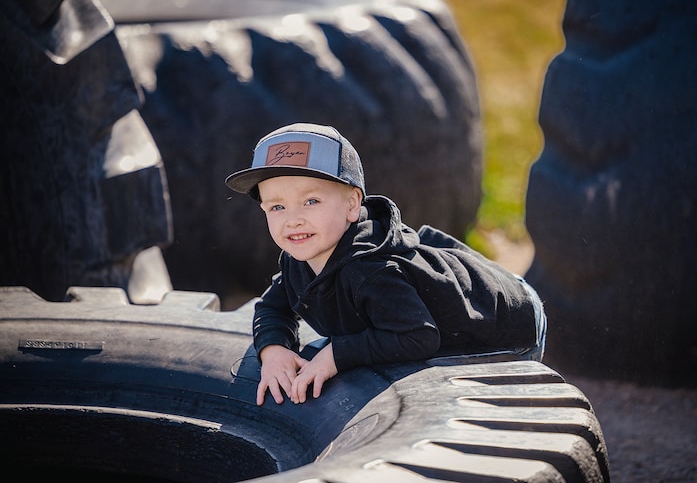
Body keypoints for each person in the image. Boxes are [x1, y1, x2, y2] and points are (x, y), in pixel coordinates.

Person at [225, 123, 547, 405]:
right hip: (438, 299)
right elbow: (271, 308)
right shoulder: (299, 259)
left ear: (352, 205)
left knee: (471, 409)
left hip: (504, 320)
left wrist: (337, 354)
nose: (293, 220)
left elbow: (417, 336)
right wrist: (274, 350)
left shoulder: (371, 271)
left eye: (311, 201)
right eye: (277, 207)